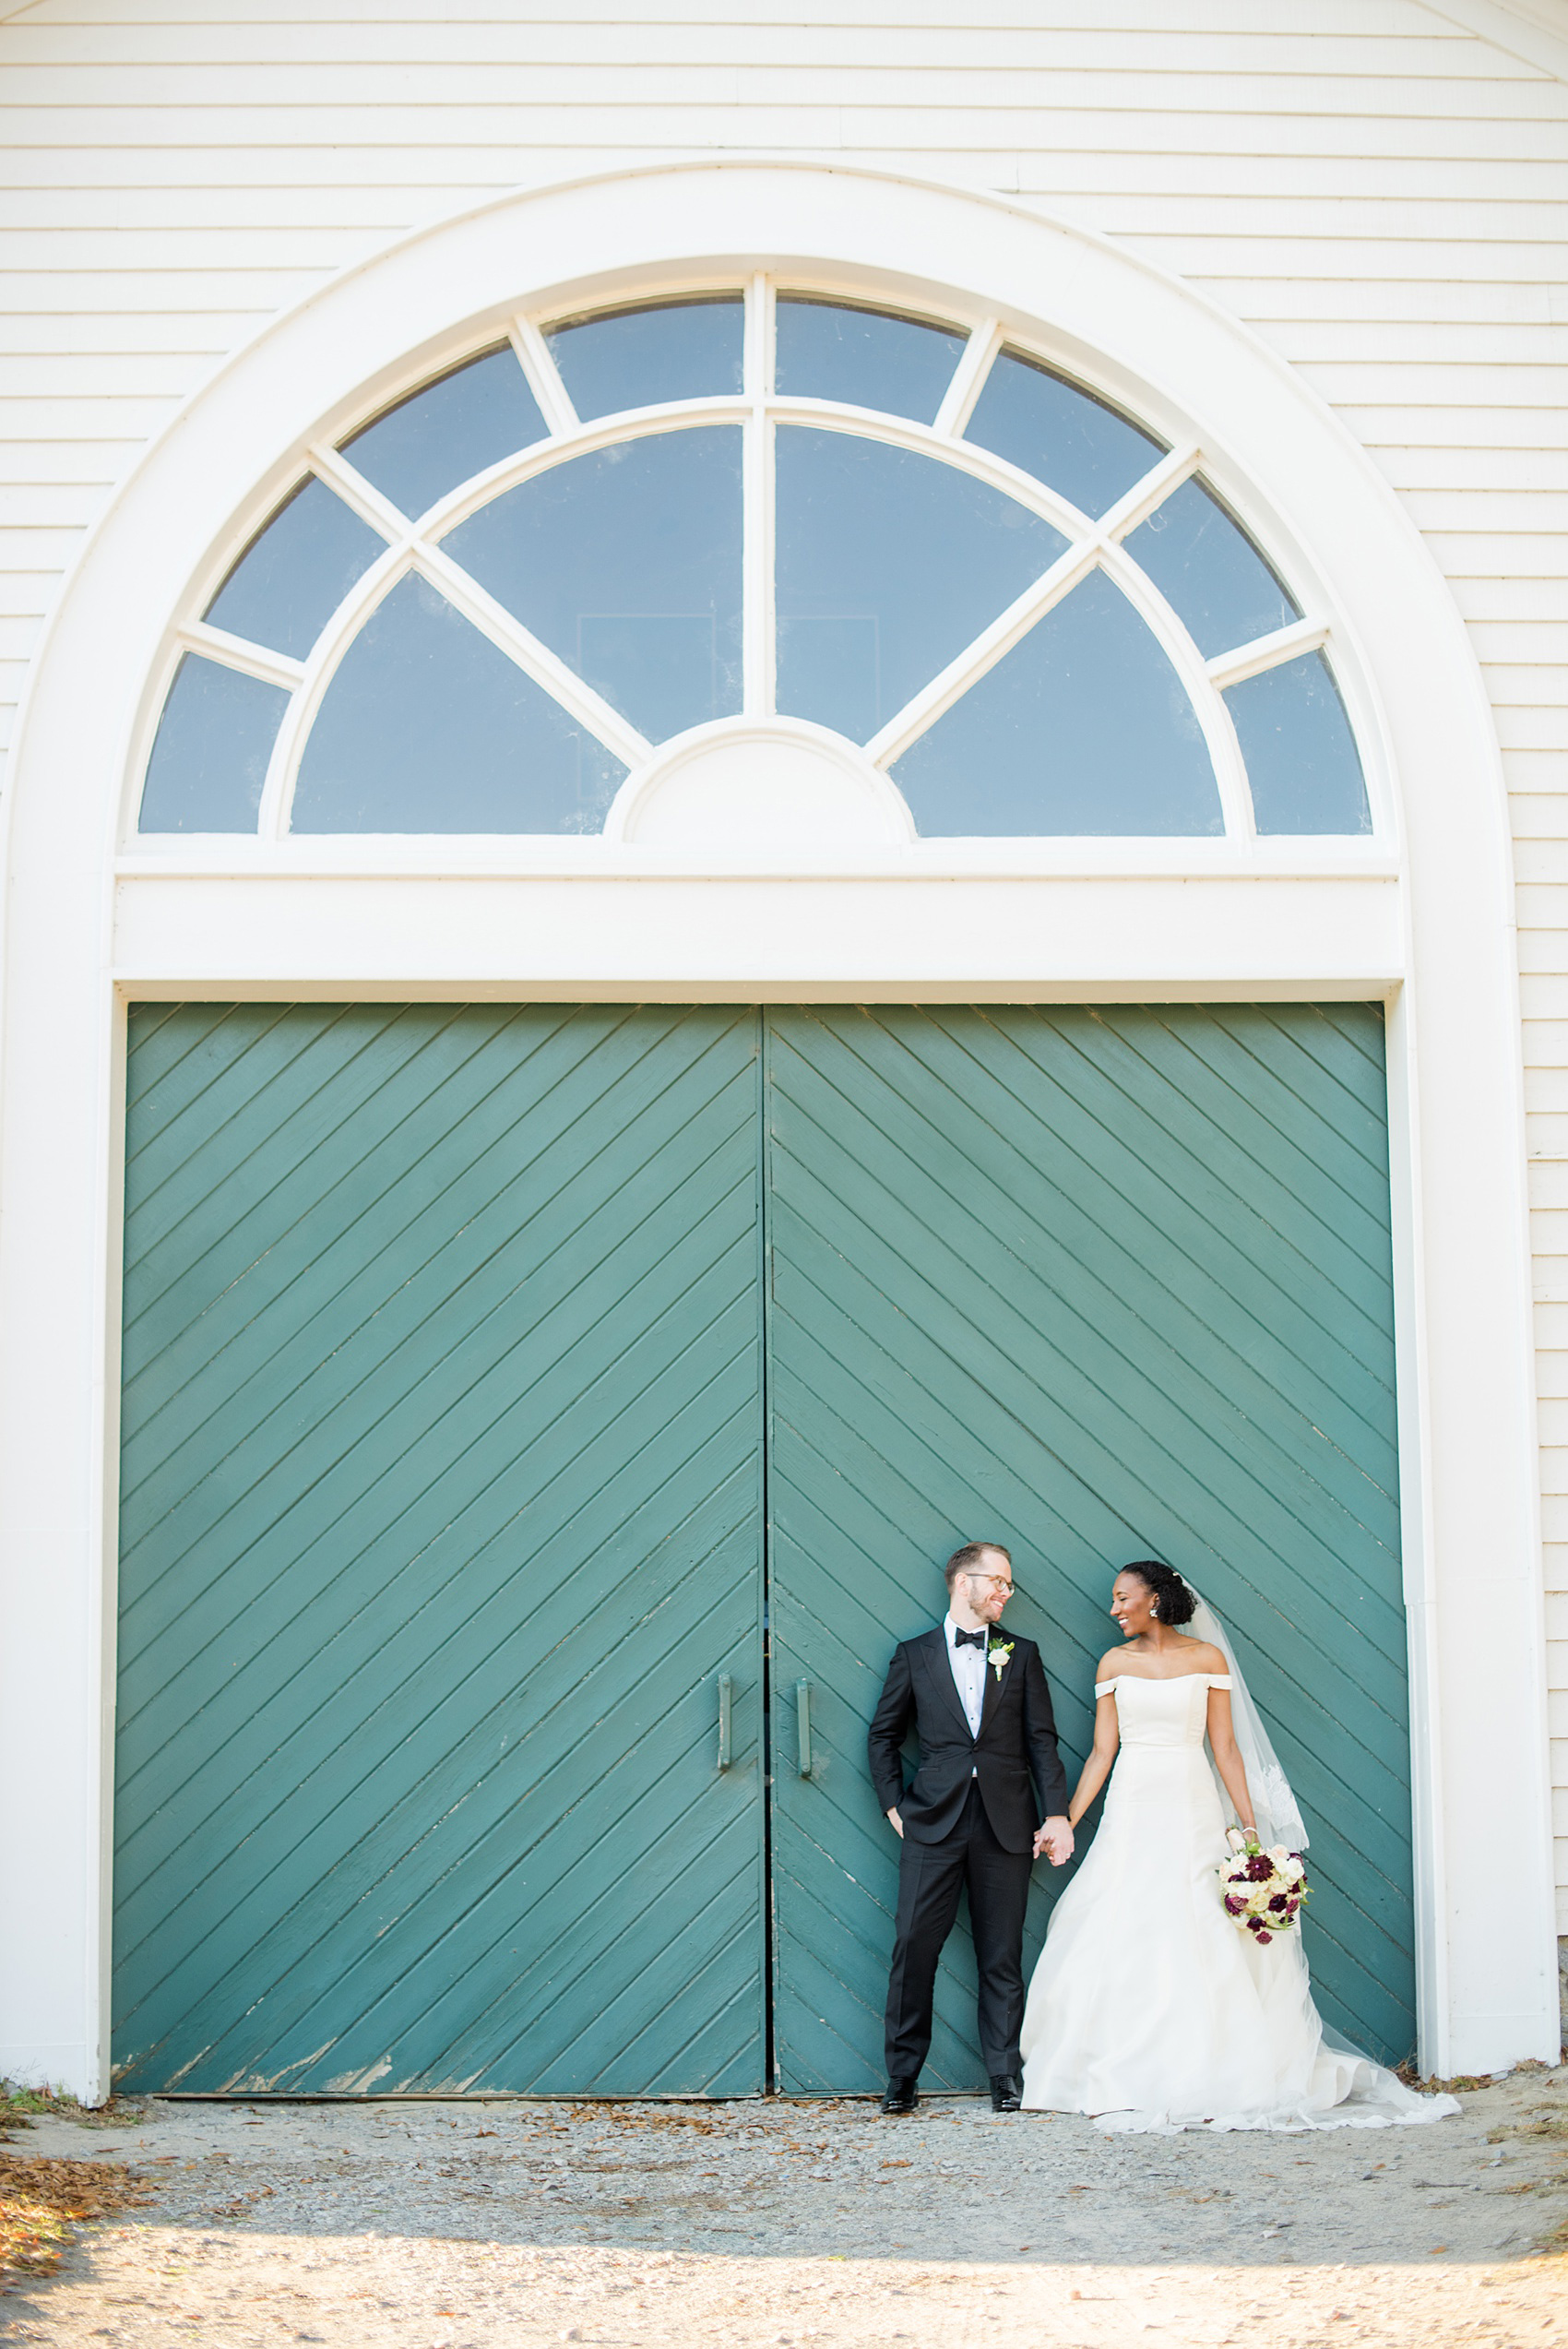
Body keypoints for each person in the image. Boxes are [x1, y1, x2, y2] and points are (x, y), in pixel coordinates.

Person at [1019, 1559, 1460, 2132]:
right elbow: (1103, 1753)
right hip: (1132, 1801)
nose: (1113, 1608)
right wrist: (1068, 1820)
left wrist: (1250, 1831)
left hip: (1192, 1799)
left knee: (1198, 1918)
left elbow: (1225, 1748)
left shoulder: (1207, 1660)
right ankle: (1114, 2062)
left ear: (1152, 1599)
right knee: (1124, 1911)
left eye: (1122, 1597)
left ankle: (1211, 2063)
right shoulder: (1113, 1663)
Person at [867, 1541, 1073, 2116]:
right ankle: (903, 2078)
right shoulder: (914, 1654)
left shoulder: (1020, 1653)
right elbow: (883, 1735)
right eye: (999, 1581)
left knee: (1000, 1954)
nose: (1006, 1592)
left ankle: (1005, 2077)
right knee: (914, 1949)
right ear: (964, 1582)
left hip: (1007, 1824)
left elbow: (1041, 1741)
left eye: (1009, 1584)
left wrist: (1055, 1811)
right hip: (931, 1823)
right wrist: (894, 1805)